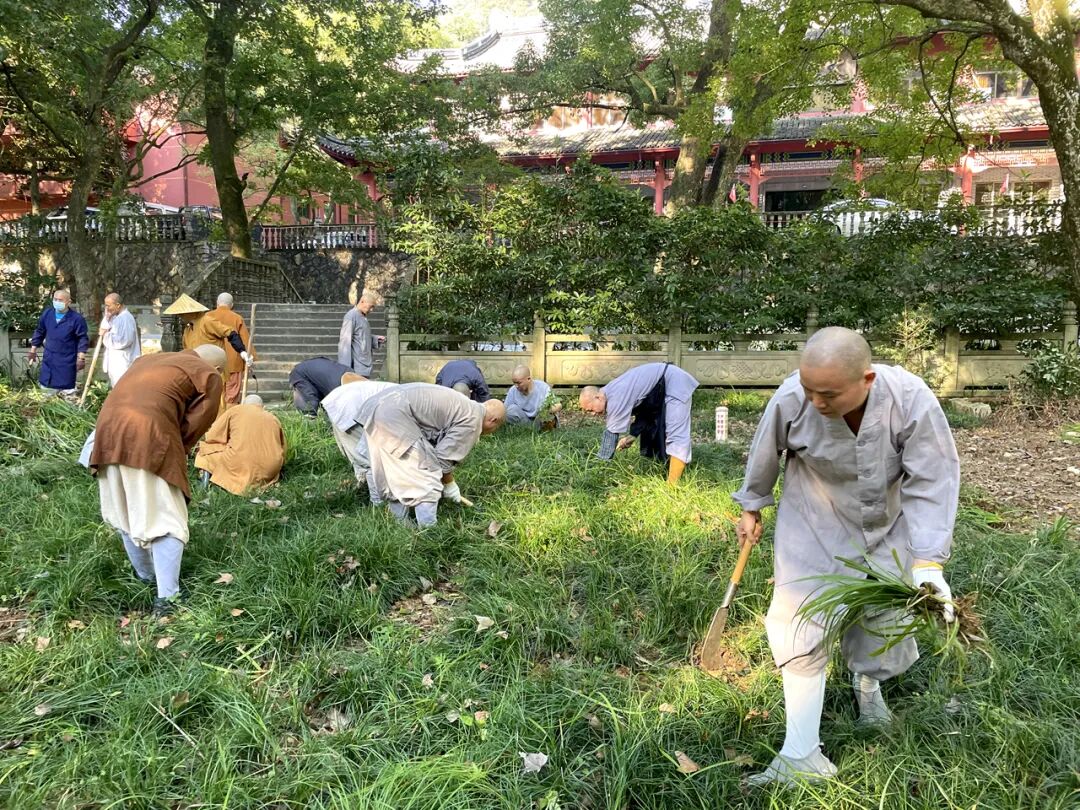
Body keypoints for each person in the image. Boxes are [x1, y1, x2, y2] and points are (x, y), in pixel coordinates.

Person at [732, 327, 960, 787]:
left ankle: (868, 688)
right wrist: (752, 505)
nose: (816, 401)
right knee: (799, 617)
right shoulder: (793, 396)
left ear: (866, 380)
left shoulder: (911, 400)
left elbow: (932, 479)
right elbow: (765, 448)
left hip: (887, 523)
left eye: (829, 394)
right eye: (809, 389)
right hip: (813, 516)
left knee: (882, 618)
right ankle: (800, 754)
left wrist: (928, 562)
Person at [89, 345, 225, 616]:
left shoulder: (147, 360)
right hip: (148, 436)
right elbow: (196, 424)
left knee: (126, 513)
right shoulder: (208, 373)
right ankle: (167, 599)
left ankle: (146, 578)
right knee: (167, 520)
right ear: (219, 368)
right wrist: (175, 451)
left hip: (105, 436)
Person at [358, 383, 505, 526]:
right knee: (427, 478)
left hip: (377, 406)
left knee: (396, 473)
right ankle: (428, 531)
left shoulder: (464, 405)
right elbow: (442, 460)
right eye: (494, 429)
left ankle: (399, 525)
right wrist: (450, 485)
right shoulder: (473, 420)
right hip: (394, 415)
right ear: (493, 421)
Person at [578, 362, 698, 484]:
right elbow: (646, 410)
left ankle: (672, 486)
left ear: (598, 397)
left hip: (675, 382)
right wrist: (633, 435)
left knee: (676, 434)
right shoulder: (609, 391)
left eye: (591, 410)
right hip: (661, 386)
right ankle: (668, 469)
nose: (592, 414)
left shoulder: (615, 398)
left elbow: (610, 437)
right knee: (656, 431)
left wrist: (598, 468)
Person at [163, 294, 251, 408]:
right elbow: (187, 352)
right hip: (196, 374)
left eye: (182, 313)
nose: (180, 316)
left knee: (218, 404)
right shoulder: (187, 330)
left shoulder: (206, 321)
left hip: (214, 371)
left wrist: (242, 351)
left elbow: (230, 333)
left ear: (191, 312)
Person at [193, 394, 286, 495]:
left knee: (204, 452)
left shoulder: (236, 410)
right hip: (269, 469)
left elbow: (212, 435)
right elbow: (283, 448)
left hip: (239, 463)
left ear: (243, 404)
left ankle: (205, 481)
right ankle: (259, 483)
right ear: (263, 407)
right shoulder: (273, 418)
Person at [322, 378, 398, 501]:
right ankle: (378, 502)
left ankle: (364, 488)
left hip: (343, 400)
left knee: (360, 454)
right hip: (349, 406)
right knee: (369, 459)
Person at [28, 289, 89, 396]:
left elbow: (82, 338)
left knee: (67, 392)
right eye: (55, 299)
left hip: (67, 360)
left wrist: (81, 358)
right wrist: (33, 350)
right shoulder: (48, 314)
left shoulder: (76, 319)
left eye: (60, 300)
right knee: (46, 391)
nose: (57, 302)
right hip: (49, 358)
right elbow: (40, 331)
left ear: (68, 302)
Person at [209, 292, 254, 407]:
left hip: (212, 361)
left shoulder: (207, 317)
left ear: (217, 303)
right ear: (232, 305)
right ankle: (230, 415)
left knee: (214, 394)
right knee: (231, 395)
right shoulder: (237, 318)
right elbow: (245, 341)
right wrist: (248, 357)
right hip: (233, 362)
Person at [288, 356, 359, 416]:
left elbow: (310, 398)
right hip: (347, 375)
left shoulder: (298, 373)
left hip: (338, 381)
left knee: (310, 405)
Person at [337, 291, 384, 377]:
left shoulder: (363, 317)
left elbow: (361, 336)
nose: (372, 310)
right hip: (356, 366)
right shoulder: (351, 316)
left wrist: (375, 339)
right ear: (362, 302)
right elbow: (345, 343)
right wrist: (345, 369)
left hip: (364, 363)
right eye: (371, 307)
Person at [99, 292, 141, 386]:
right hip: (116, 361)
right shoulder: (115, 317)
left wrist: (106, 335)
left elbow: (124, 341)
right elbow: (105, 327)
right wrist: (107, 318)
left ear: (118, 305)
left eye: (108, 305)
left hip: (122, 361)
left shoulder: (125, 318)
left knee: (122, 386)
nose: (107, 308)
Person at [504, 364, 560, 428]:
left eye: (519, 383)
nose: (516, 386)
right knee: (511, 410)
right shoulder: (513, 390)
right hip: (524, 420)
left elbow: (558, 405)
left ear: (529, 379)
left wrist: (547, 411)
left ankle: (541, 430)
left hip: (540, 420)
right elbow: (505, 410)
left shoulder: (543, 387)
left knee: (549, 415)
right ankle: (529, 429)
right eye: (514, 383)